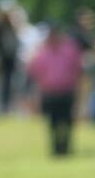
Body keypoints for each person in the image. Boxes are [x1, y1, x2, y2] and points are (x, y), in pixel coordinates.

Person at [27, 22, 83, 157]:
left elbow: (77, 70)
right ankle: (56, 149)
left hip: (66, 91)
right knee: (53, 122)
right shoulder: (42, 52)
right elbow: (35, 73)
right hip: (50, 93)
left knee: (67, 122)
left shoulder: (70, 50)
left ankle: (66, 147)